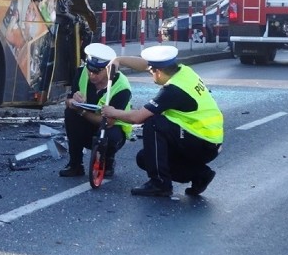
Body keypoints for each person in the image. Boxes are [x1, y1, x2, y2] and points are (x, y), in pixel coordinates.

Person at [102, 45, 223, 197]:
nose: (149, 73)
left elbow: (137, 117)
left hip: (202, 143)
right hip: (205, 139)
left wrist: (113, 112)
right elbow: (146, 65)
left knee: (153, 122)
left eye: (151, 72)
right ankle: (200, 175)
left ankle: (160, 184)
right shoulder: (183, 71)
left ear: (158, 72)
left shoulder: (173, 90)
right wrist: (118, 60)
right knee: (145, 158)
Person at [59, 43, 132, 178]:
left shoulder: (122, 87)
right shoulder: (81, 72)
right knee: (70, 114)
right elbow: (68, 101)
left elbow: (108, 122)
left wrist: (82, 112)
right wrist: (72, 101)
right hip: (87, 127)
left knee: (111, 134)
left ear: (109, 69)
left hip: (111, 130)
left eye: (97, 72)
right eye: (89, 70)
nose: (92, 75)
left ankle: (107, 162)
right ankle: (75, 164)